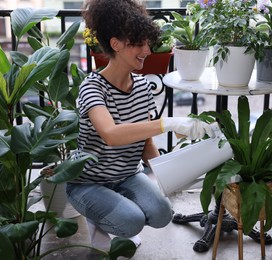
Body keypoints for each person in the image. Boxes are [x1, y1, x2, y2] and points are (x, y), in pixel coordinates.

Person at [66, 0, 215, 251]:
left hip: (127, 175)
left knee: (162, 214)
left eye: (148, 42)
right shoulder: (93, 87)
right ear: (115, 44)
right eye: (138, 43)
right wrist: (166, 123)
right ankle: (101, 213)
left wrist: (168, 174)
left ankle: (116, 207)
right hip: (88, 182)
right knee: (131, 222)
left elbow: (145, 144)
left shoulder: (144, 87)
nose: (147, 49)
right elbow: (111, 135)